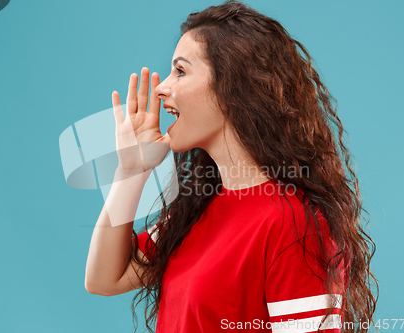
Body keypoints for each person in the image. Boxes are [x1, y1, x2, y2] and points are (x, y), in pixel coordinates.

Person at [84, 1, 378, 332]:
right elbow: (104, 278)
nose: (162, 87)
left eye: (180, 71)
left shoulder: (294, 223)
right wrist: (130, 172)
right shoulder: (196, 210)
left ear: (231, 89)